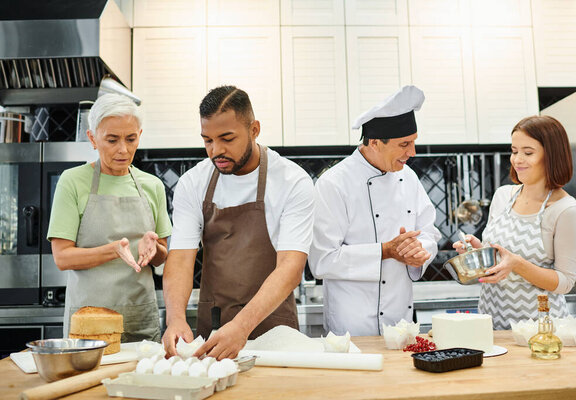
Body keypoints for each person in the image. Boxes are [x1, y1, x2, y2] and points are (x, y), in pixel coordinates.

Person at [162, 86, 314, 360]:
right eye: (207, 140)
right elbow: (181, 258)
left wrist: (243, 326)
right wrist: (175, 318)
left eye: (227, 138)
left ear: (254, 129)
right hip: (215, 331)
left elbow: (291, 267)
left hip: (275, 332)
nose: (216, 150)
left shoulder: (292, 181)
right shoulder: (193, 183)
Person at [308, 86, 441, 336]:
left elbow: (429, 233)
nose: (412, 153)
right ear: (375, 143)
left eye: (413, 142)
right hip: (350, 329)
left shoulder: (409, 178)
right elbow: (322, 261)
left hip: (401, 325)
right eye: (404, 144)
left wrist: (418, 252)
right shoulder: (333, 184)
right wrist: (385, 251)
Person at [47, 93, 172, 341]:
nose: (123, 150)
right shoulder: (72, 182)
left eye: (131, 138)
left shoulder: (153, 186)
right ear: (93, 139)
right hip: (88, 321)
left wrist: (153, 248)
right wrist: (113, 250)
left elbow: (162, 257)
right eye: (112, 140)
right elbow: (62, 257)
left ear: (140, 136)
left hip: (138, 318)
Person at [452, 115, 576, 330]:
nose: (517, 160)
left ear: (552, 156)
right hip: (493, 325)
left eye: (528, 152)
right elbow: (501, 259)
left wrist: (518, 264)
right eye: (514, 151)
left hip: (539, 331)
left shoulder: (566, 210)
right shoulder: (503, 196)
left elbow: (565, 283)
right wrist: (480, 253)